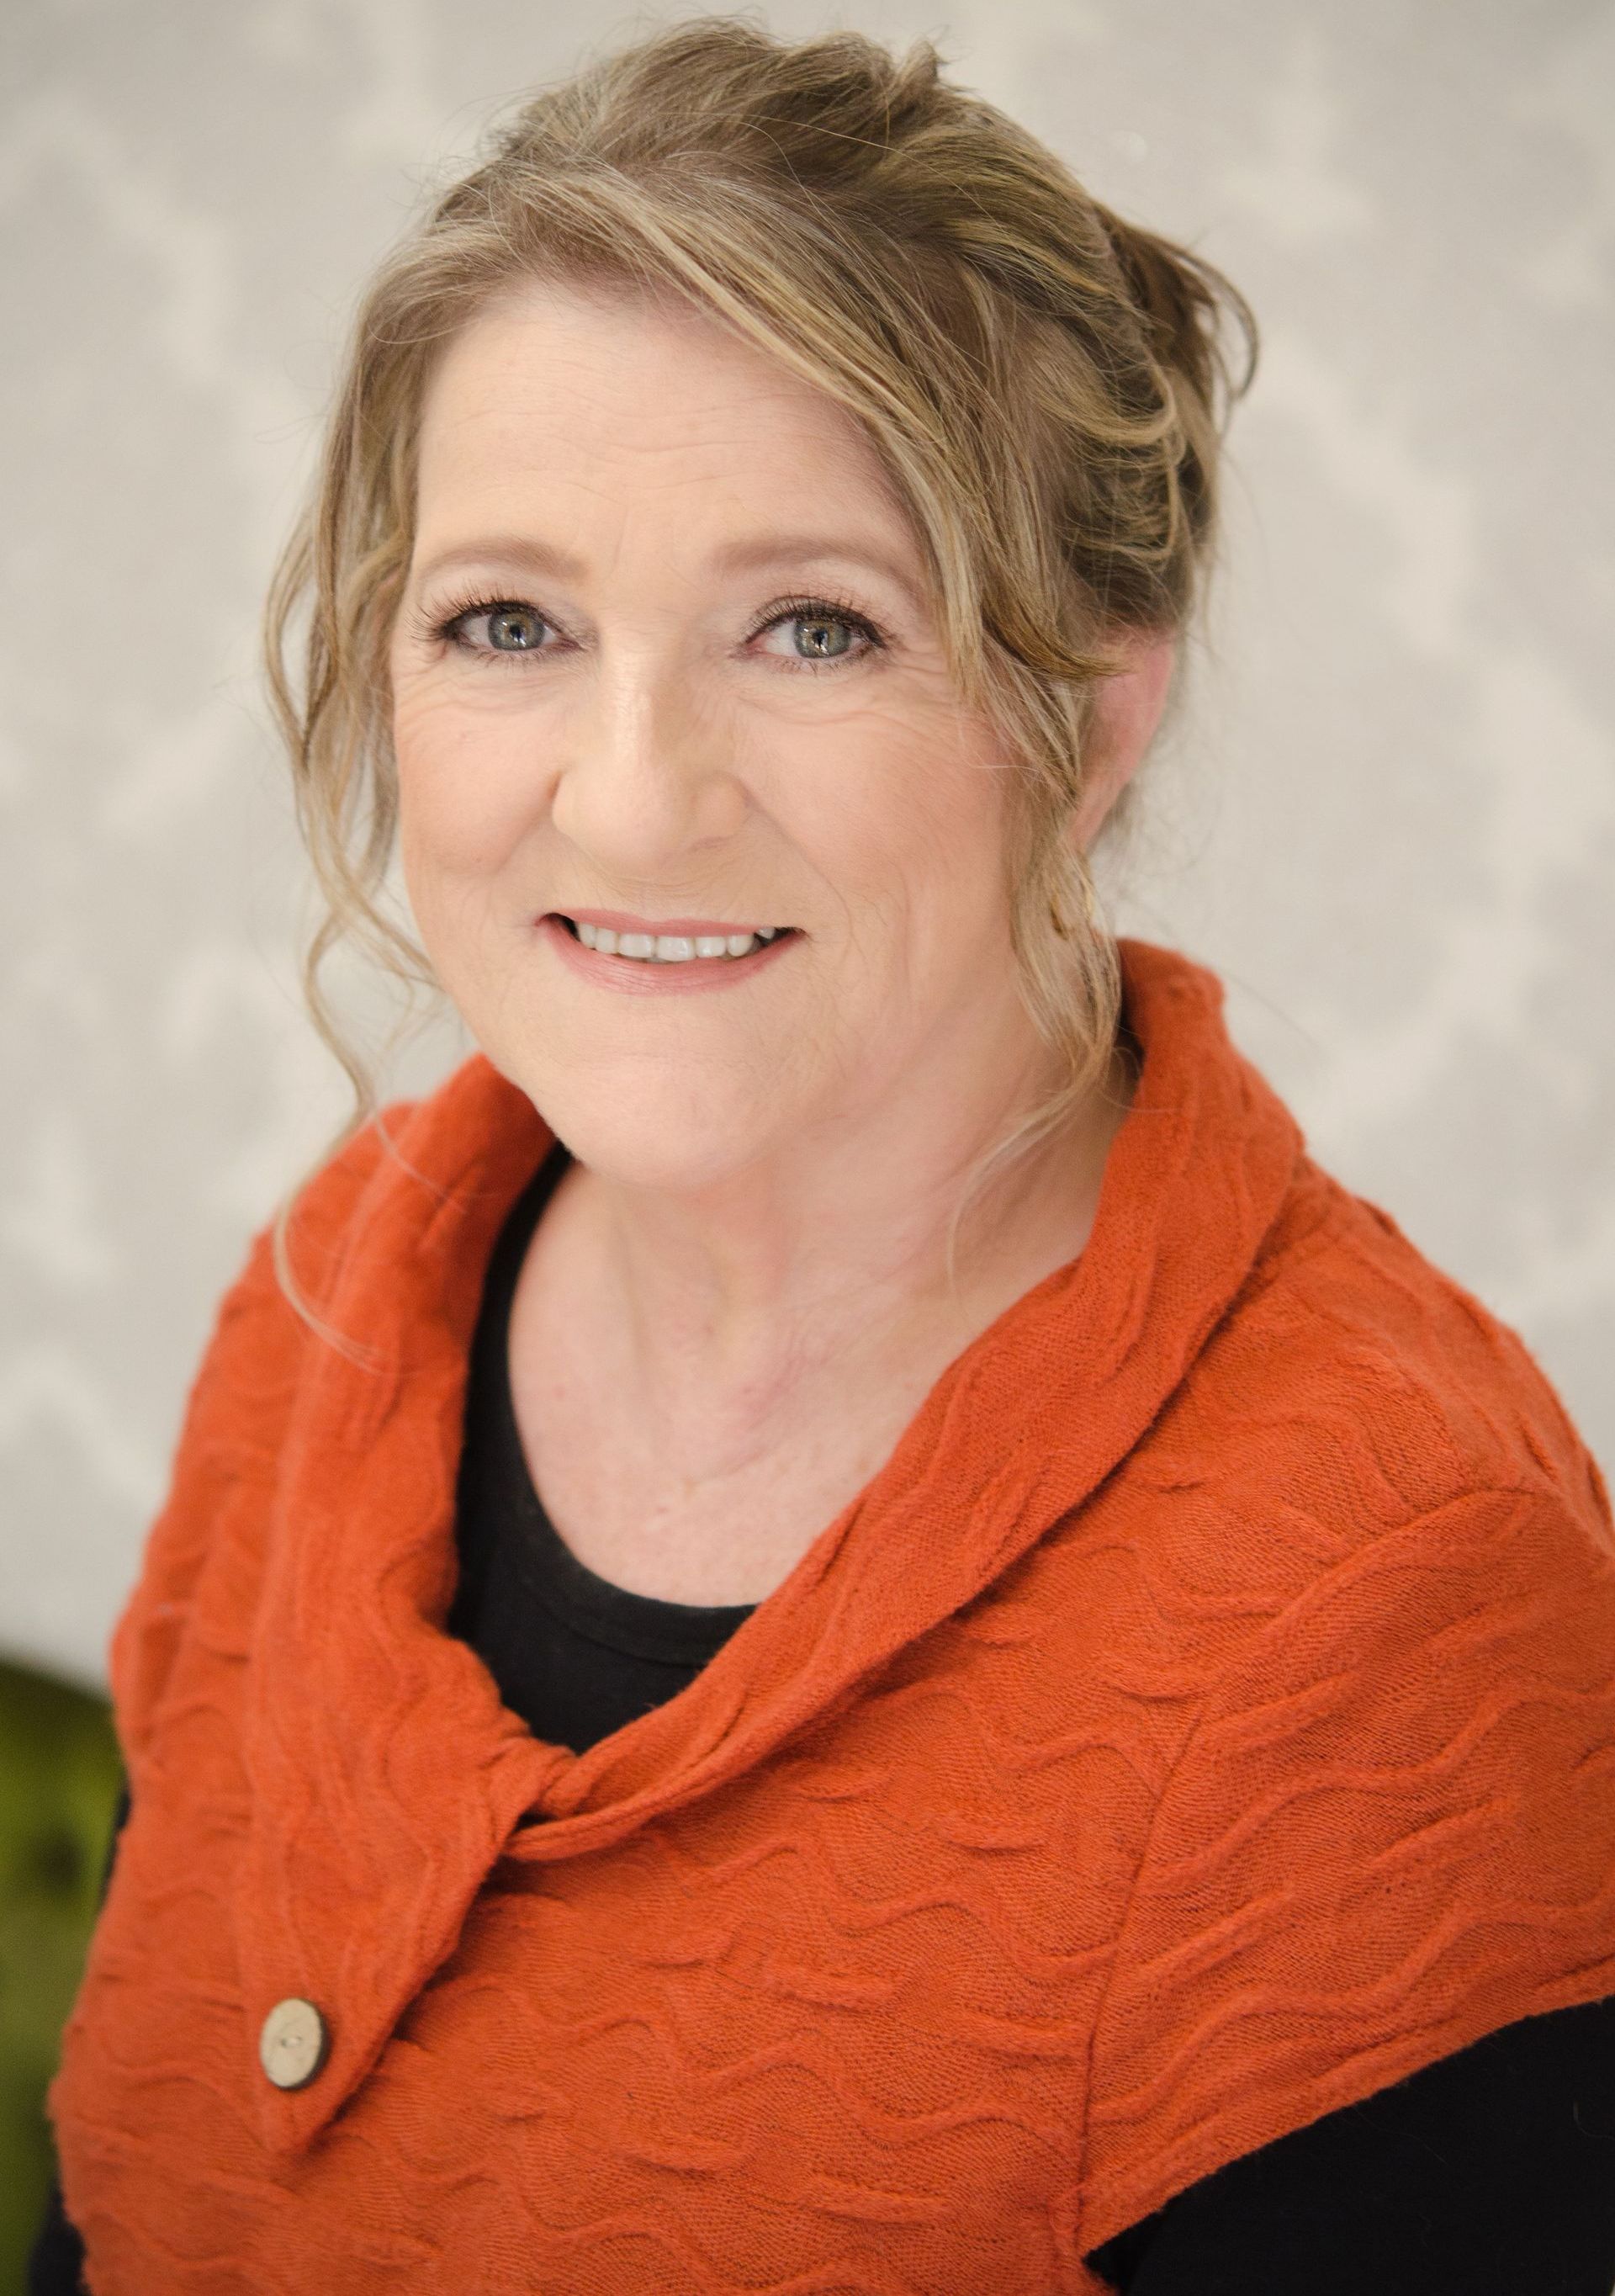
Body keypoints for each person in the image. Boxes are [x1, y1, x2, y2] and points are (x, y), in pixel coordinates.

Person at [33, 18, 1615, 2294]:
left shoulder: (1391, 1603)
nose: (633, 793)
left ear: (1087, 704)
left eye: (812, 626)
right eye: (510, 621)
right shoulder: (333, 1290)